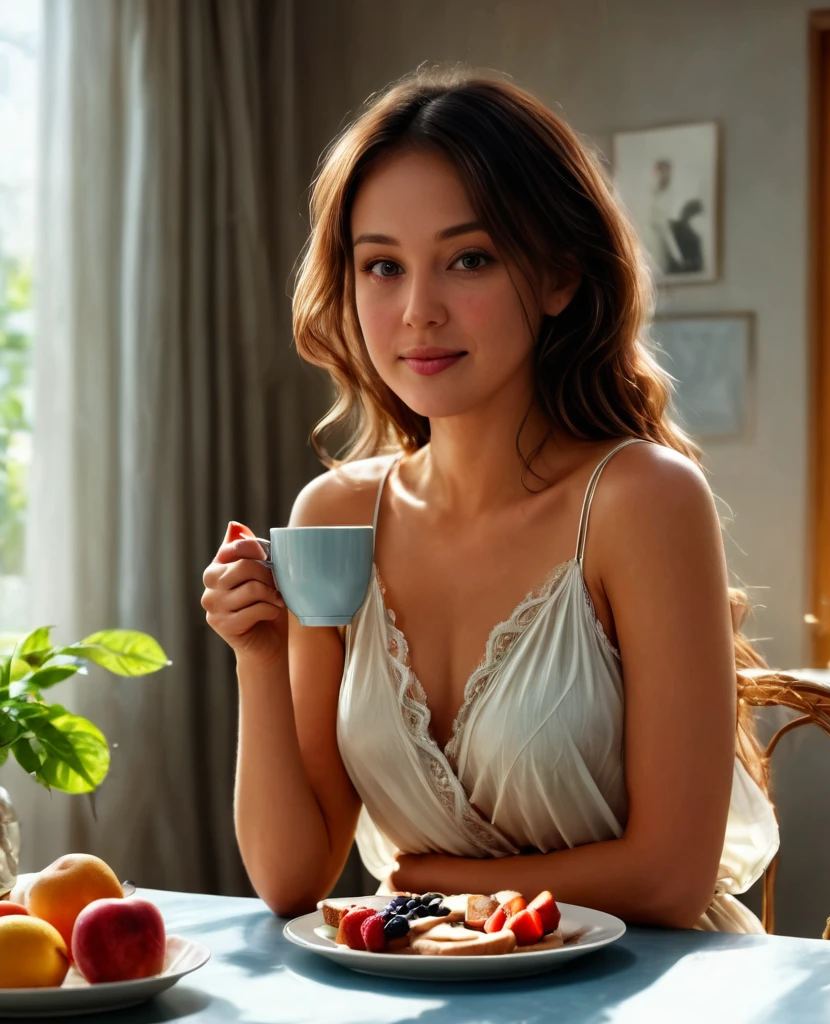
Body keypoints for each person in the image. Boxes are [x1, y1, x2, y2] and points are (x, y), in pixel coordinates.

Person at [201, 67, 778, 932]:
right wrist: (257, 652)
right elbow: (292, 880)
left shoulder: (641, 501)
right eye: (382, 267)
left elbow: (669, 877)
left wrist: (438, 878)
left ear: (558, 278)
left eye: (468, 259)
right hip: (434, 981)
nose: (416, 311)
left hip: (644, 991)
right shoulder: (334, 516)